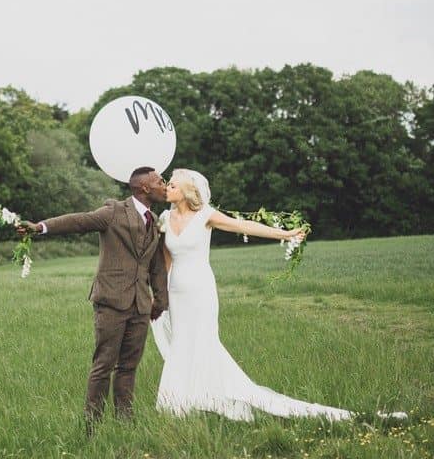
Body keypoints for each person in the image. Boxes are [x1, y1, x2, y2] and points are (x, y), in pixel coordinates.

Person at [151, 168, 407, 422]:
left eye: (173, 185)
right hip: (177, 292)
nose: (167, 188)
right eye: (169, 184)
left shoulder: (206, 215)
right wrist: (160, 294)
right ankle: (179, 403)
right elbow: (166, 261)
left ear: (186, 192)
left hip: (201, 291)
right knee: (181, 343)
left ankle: (215, 398)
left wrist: (283, 234)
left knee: (204, 343)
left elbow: (245, 226)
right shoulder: (164, 218)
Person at [17, 166, 169, 433]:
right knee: (103, 365)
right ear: (144, 188)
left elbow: (155, 264)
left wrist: (160, 300)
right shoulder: (113, 212)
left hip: (140, 305)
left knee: (129, 367)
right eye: (159, 181)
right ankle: (92, 426)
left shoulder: (154, 220)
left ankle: (125, 422)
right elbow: (78, 221)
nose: (164, 185)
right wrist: (40, 227)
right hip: (111, 302)